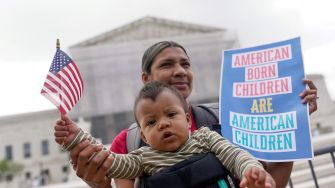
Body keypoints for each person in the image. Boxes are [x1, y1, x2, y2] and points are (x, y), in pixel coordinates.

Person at [66, 41, 318, 188]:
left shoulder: (225, 119)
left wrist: (292, 116)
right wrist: (99, 184)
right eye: (167, 65)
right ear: (145, 79)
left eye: (185, 64)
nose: (180, 71)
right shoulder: (128, 143)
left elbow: (270, 180)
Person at [55, 81, 276, 188]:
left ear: (188, 120)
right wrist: (77, 138)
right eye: (151, 122)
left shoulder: (206, 138)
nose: (163, 124)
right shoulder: (142, 157)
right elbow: (109, 161)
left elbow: (235, 155)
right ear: (143, 133)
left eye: (171, 114)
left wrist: (251, 171)